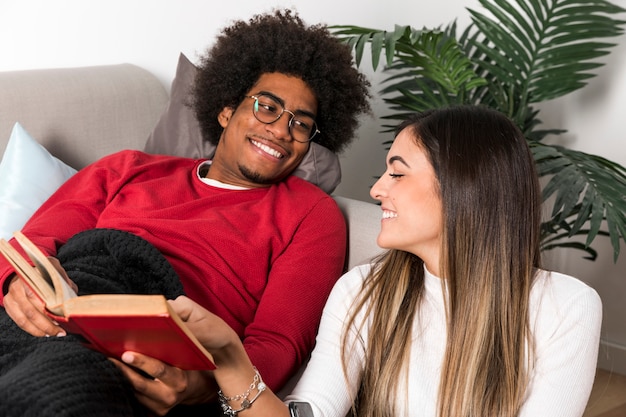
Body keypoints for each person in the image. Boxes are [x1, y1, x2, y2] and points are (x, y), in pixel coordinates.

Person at [0, 9, 370, 416]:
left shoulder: (311, 213)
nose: (282, 130)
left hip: (155, 341)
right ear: (227, 111)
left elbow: (279, 341)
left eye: (301, 124)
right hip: (65, 303)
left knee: (52, 392)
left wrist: (207, 385)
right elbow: (29, 246)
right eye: (268, 107)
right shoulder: (126, 168)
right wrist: (16, 283)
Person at [124, 105, 603, 417]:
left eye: (396, 172)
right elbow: (311, 410)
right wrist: (228, 357)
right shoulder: (362, 290)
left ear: (464, 186)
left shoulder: (567, 306)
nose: (376, 190)